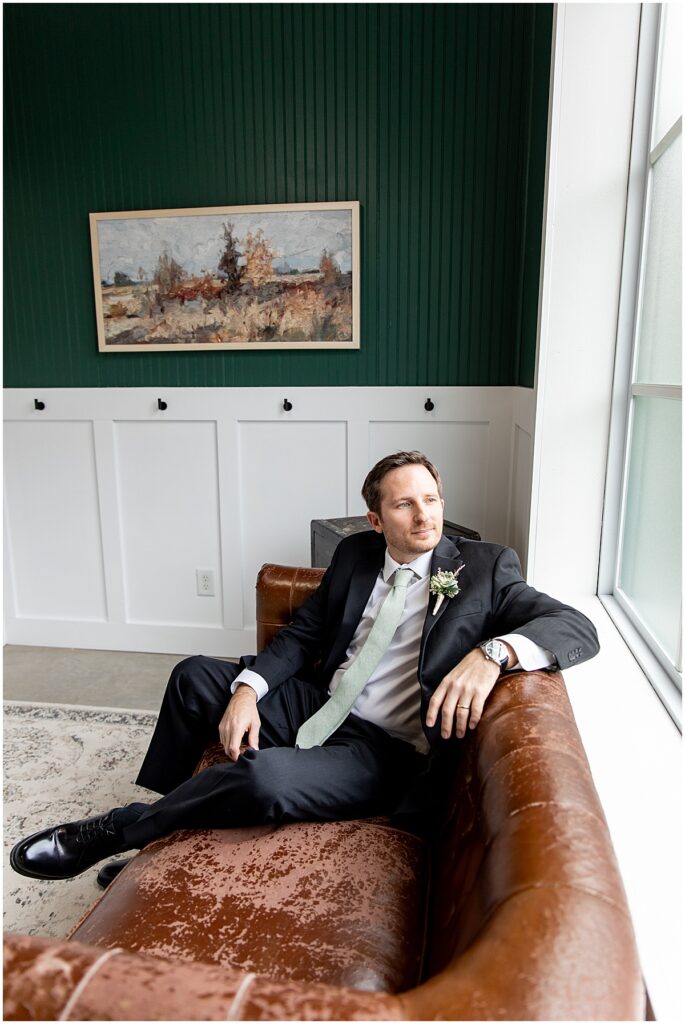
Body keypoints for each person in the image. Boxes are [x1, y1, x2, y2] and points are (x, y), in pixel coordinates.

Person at [10, 451, 599, 885]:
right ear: (376, 520)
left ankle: (120, 829)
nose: (424, 516)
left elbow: (577, 627)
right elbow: (307, 633)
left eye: (431, 498)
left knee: (265, 780)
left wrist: (493, 653)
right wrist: (246, 690)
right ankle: (161, 842)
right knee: (193, 677)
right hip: (319, 702)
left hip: (384, 751)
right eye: (404, 504)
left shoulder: (485, 567)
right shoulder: (354, 555)